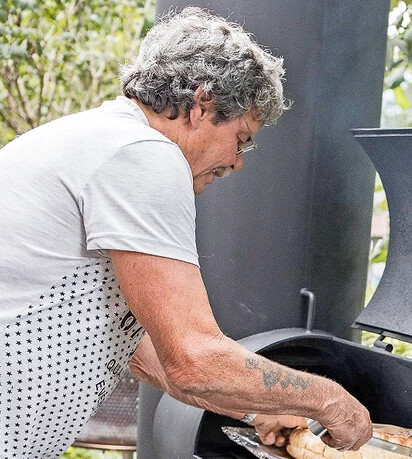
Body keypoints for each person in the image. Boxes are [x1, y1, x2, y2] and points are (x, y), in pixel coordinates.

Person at [0, 7, 372, 458]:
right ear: (203, 102)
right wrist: (329, 399)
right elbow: (193, 360)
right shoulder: (143, 156)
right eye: (242, 138)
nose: (237, 162)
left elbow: (138, 348)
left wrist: (259, 408)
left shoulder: (104, 138)